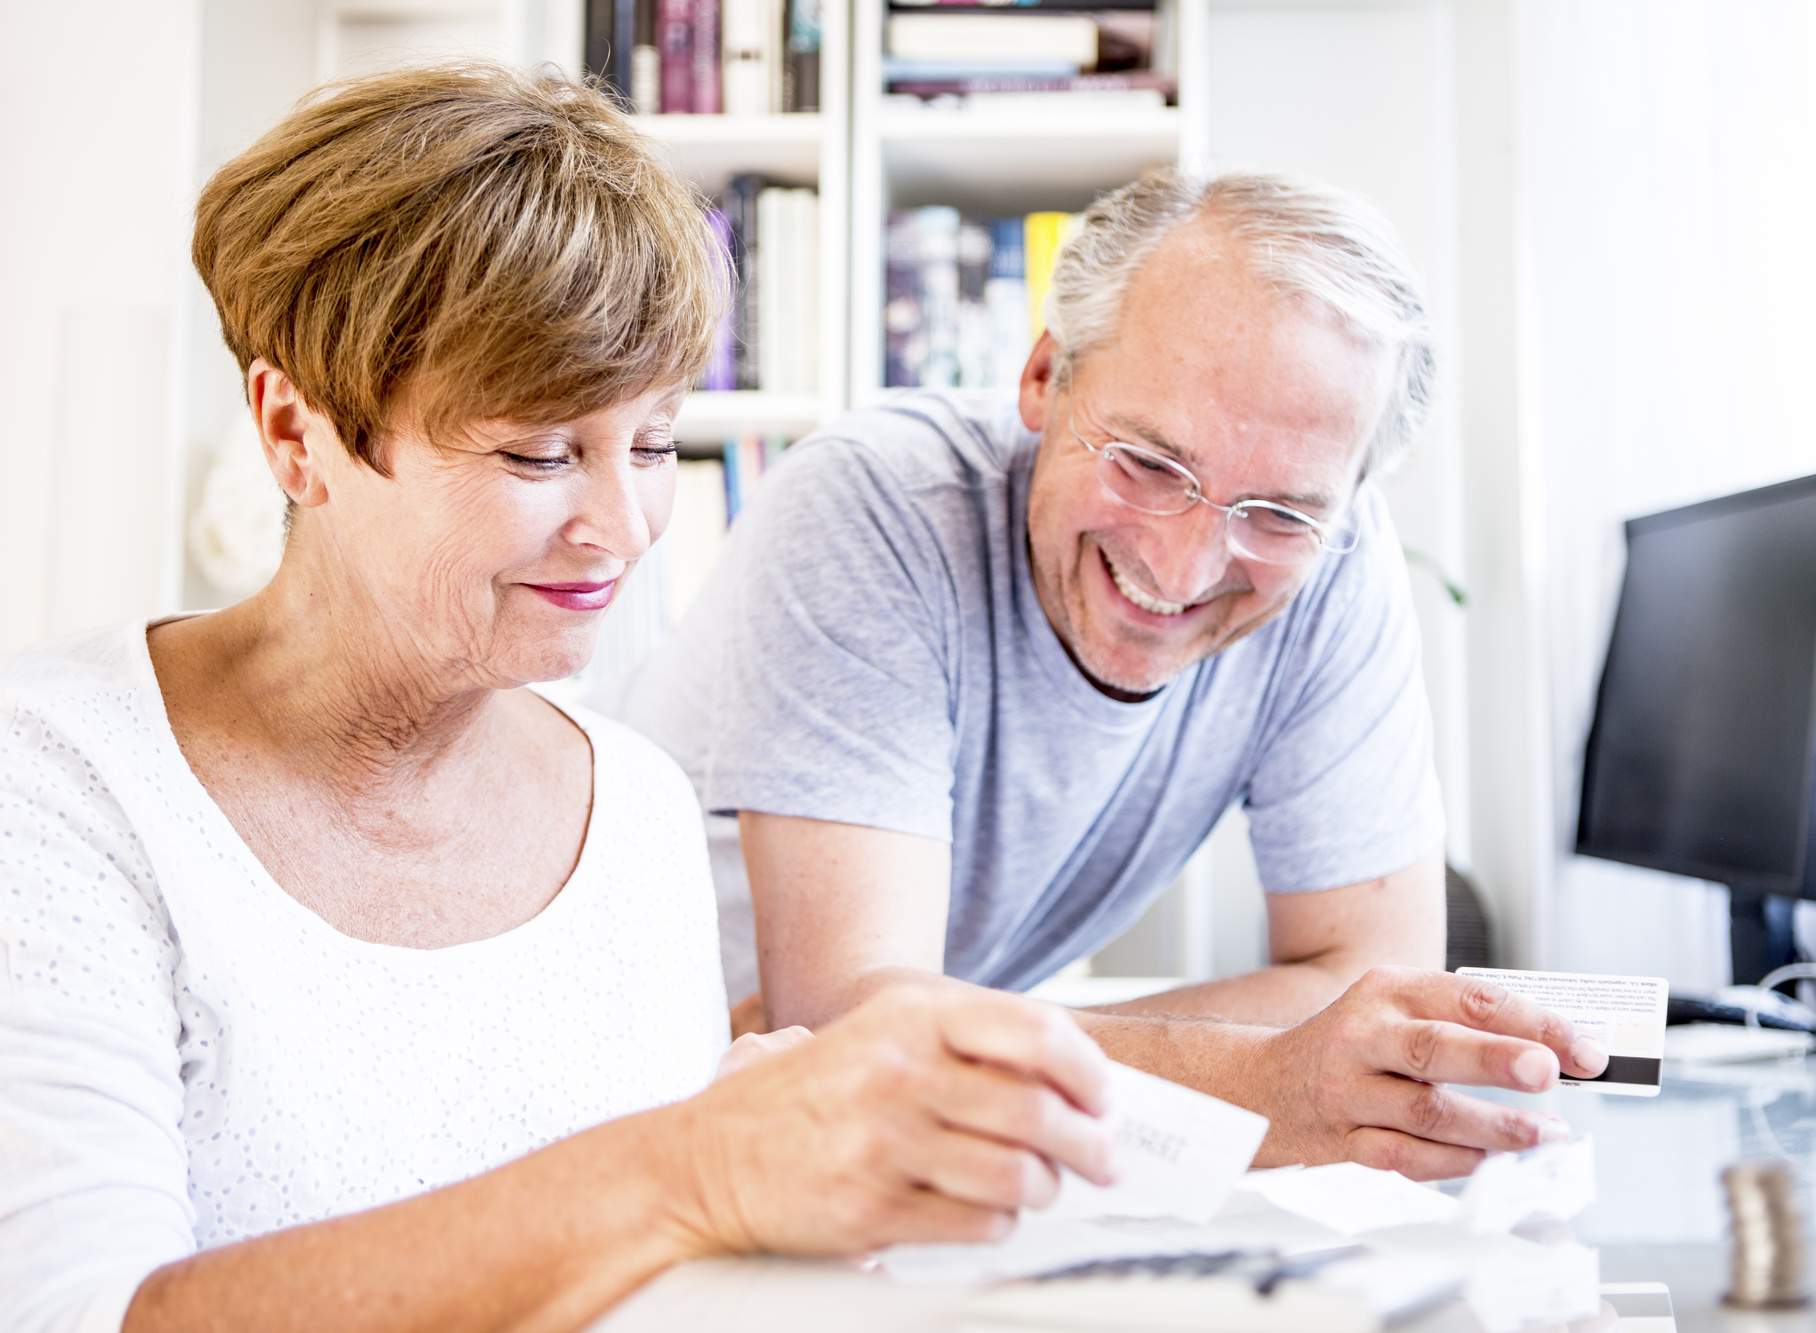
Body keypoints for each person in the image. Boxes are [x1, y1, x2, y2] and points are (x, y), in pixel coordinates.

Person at [0, 64, 1118, 1333]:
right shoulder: (55, 782)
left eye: (651, 444)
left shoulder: (630, 803)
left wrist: (774, 1228)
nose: (620, 525)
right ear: (295, 432)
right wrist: (693, 1170)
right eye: (538, 452)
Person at [605, 171, 1609, 1179]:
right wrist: (1252, 1076)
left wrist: (952, 1027)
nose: (1180, 569)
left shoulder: (1335, 567)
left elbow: (1367, 980)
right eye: (1146, 461)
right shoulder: (876, 505)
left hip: (906, 1138)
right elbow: (843, 1018)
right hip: (643, 1111)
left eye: (1276, 514)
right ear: (1044, 375)